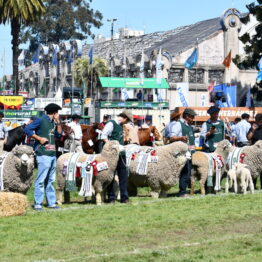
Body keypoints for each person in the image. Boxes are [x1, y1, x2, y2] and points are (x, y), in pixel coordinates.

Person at [24, 103, 62, 211]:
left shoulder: (54, 122)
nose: (58, 115)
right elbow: (27, 129)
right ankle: (38, 204)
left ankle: (51, 203)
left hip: (52, 155)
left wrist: (58, 122)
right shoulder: (40, 120)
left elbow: (59, 134)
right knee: (41, 180)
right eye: (57, 113)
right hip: (42, 154)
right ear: (54, 113)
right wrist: (39, 138)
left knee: (51, 180)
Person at [101, 110, 131, 204]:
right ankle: (111, 198)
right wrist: (113, 145)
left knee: (123, 176)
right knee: (111, 176)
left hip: (121, 154)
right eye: (127, 121)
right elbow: (103, 136)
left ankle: (124, 197)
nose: (127, 123)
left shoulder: (122, 126)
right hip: (112, 155)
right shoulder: (111, 123)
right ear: (125, 118)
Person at [169, 108, 197, 197]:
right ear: (187, 116)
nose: (193, 119)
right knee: (185, 172)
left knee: (188, 172)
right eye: (192, 117)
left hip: (190, 153)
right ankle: (182, 192)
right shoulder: (178, 124)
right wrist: (181, 138)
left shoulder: (189, 126)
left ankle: (184, 190)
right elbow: (172, 137)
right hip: (182, 153)